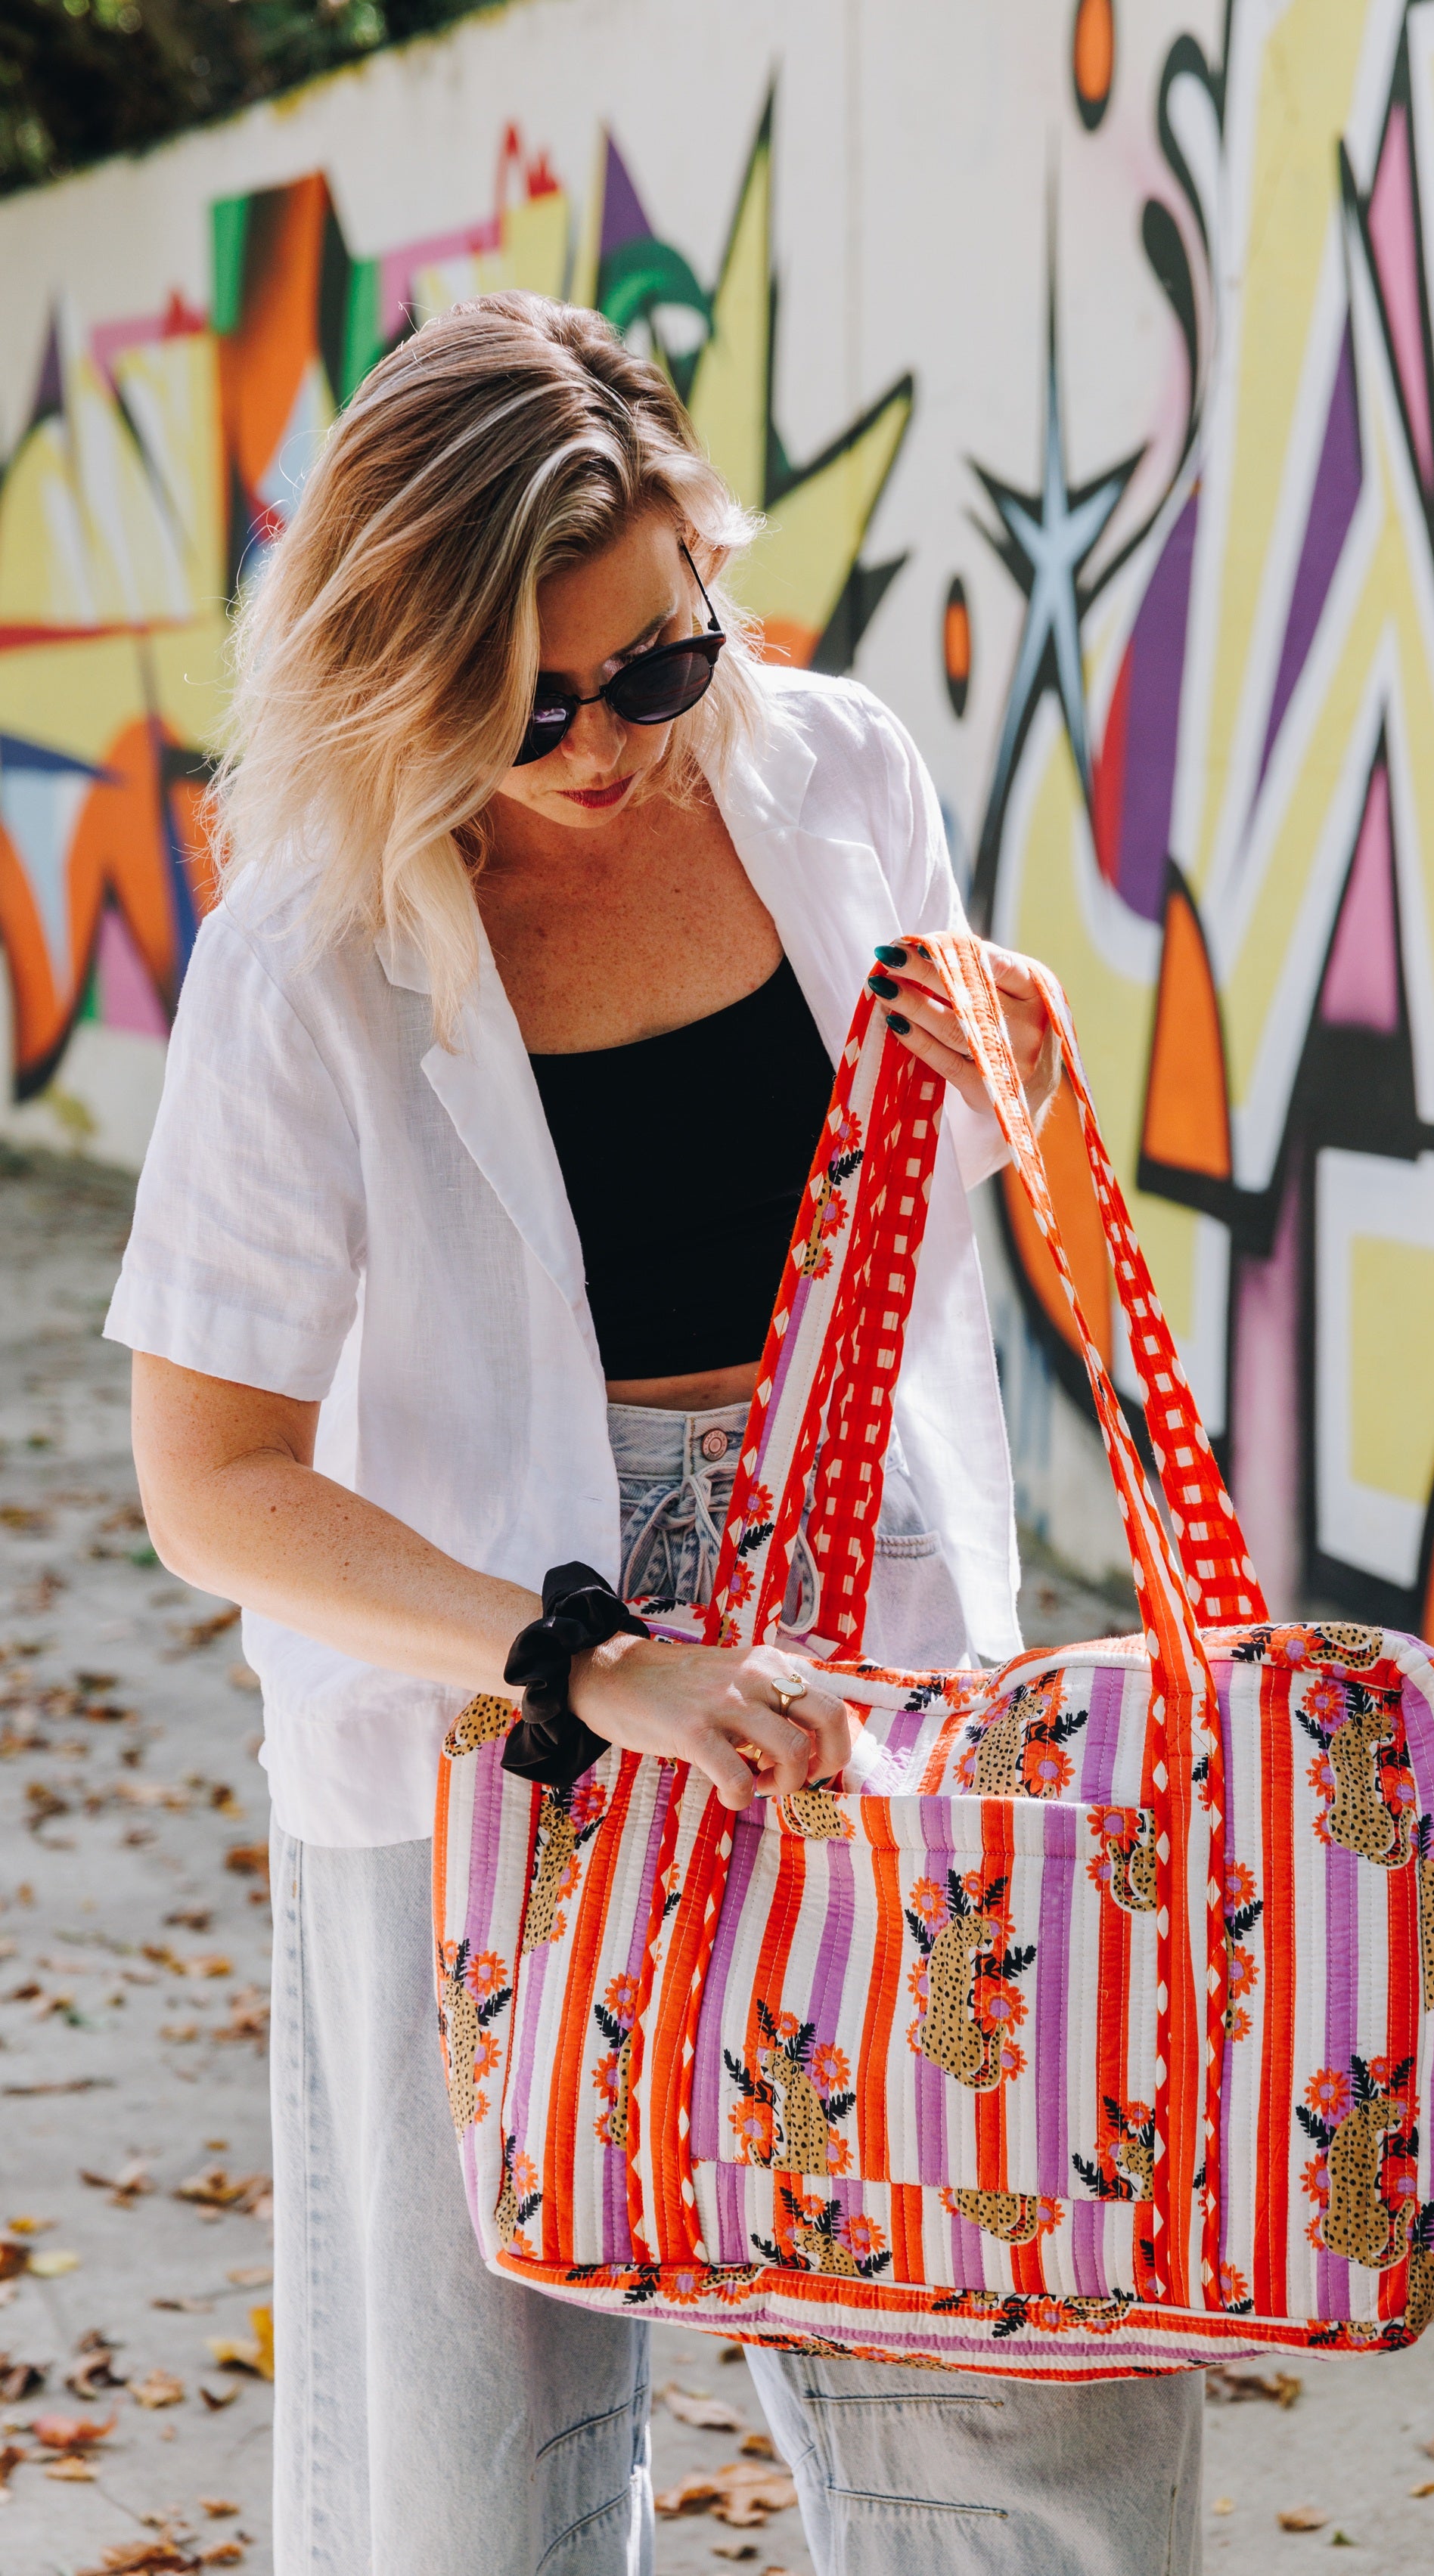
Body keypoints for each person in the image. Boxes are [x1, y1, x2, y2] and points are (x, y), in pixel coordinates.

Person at [110, 293, 1203, 2576]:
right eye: (524, 708)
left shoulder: (841, 772)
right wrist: (583, 1663)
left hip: (866, 1674)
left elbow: (925, 1187)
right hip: (473, 1713)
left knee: (1021, 2434)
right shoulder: (313, 944)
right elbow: (211, 1476)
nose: (609, 747)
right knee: (462, 2493)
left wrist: (1009, 1079)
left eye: (663, 666)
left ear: (714, 574)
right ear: (397, 676)